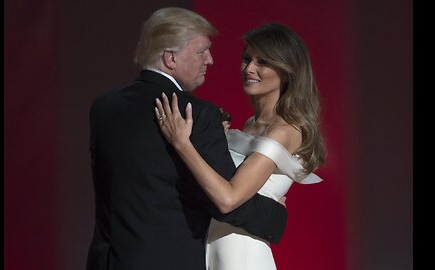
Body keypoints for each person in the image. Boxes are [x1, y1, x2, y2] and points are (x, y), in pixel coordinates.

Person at [86, 8, 288, 270]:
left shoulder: (103, 107)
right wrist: (275, 214)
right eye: (201, 51)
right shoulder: (196, 114)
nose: (210, 60)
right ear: (171, 58)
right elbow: (224, 203)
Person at [154, 23, 326, 269]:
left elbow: (227, 198)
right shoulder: (250, 125)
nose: (249, 68)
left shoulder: (286, 130)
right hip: (215, 248)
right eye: (247, 59)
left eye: (262, 62)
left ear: (286, 70)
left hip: (243, 255)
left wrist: (182, 143)